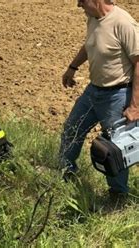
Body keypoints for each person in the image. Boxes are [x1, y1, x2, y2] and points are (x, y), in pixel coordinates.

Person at [60, 0, 139, 198]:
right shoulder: (93, 18)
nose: (78, 5)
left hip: (117, 96)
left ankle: (118, 195)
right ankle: (65, 172)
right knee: (72, 129)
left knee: (114, 149)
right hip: (92, 92)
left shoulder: (123, 23)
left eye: (81, 0)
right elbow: (89, 45)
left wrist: (135, 106)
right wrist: (72, 67)